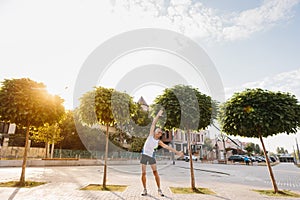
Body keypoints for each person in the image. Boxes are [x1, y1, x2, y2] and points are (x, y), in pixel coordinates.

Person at [140, 110, 184, 197]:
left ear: (159, 134)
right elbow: (153, 123)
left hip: (151, 156)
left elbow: (168, 147)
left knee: (155, 172)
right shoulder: (150, 135)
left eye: (159, 131)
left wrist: (177, 152)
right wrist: (158, 115)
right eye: (157, 130)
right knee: (143, 173)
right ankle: (144, 189)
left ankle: (159, 189)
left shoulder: (159, 142)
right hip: (144, 155)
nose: (158, 131)